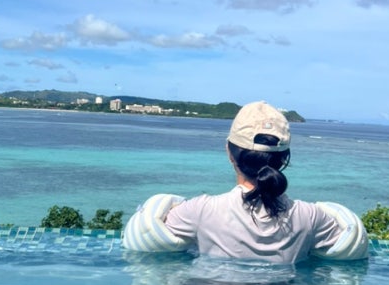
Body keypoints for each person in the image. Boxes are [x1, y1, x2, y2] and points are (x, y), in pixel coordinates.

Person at [123, 100, 368, 263]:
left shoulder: (200, 210)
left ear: (229, 153)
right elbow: (351, 240)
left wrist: (175, 206)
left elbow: (141, 235)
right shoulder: (310, 217)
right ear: (284, 159)